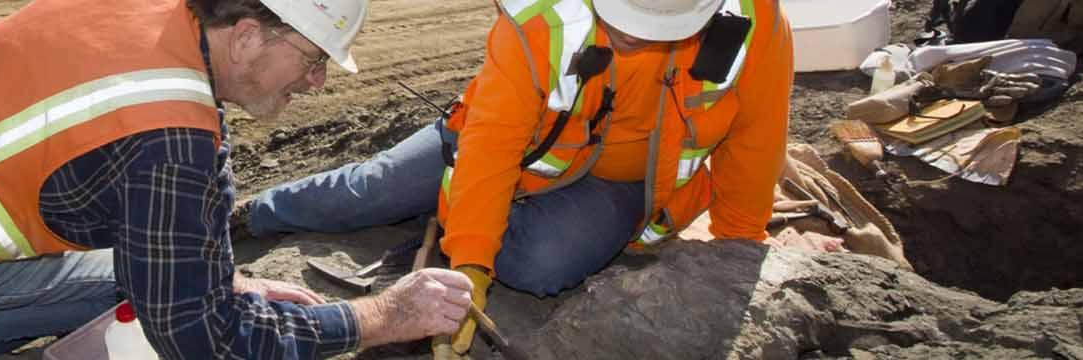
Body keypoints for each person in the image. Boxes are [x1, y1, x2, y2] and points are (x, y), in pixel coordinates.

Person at [0, 0, 476, 358]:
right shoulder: (174, 143)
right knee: (132, 286)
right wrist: (379, 317)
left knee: (153, 256)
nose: (319, 82)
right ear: (245, 37)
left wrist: (216, 274)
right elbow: (199, 337)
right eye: (314, 59)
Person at [245, 0, 797, 354]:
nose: (634, 38)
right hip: (494, 138)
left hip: (617, 184)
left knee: (537, 265)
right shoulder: (541, 18)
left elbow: (757, 139)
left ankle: (451, 218)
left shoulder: (757, 23)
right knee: (368, 190)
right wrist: (471, 264)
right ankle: (250, 213)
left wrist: (739, 241)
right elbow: (489, 148)